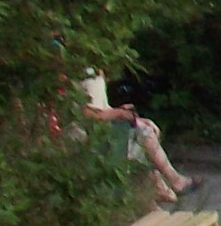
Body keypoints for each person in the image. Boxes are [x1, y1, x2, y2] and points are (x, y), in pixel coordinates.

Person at [77, 69, 193, 206]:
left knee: (144, 130)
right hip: (90, 133)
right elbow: (89, 114)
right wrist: (121, 113)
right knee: (142, 135)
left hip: (105, 129)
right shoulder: (87, 73)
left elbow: (102, 108)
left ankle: (160, 187)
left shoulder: (95, 72)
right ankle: (163, 185)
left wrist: (124, 112)